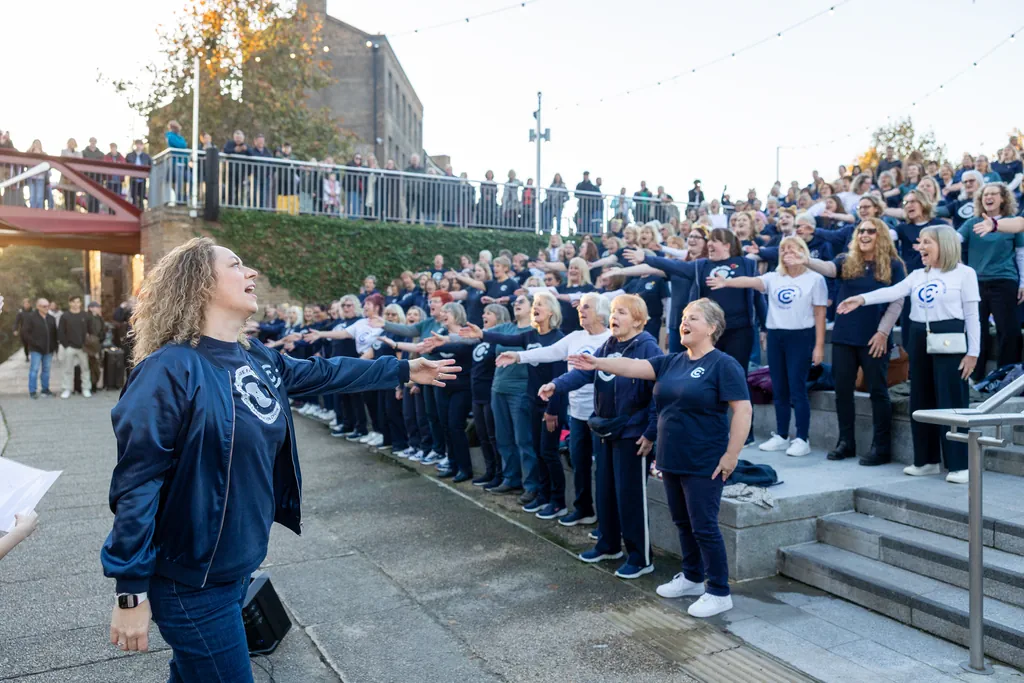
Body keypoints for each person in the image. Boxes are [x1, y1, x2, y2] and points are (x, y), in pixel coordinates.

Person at [101, 238, 457, 678]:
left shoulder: (257, 358)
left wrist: (401, 368)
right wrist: (130, 591)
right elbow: (138, 484)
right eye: (236, 265)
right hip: (191, 581)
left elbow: (326, 372)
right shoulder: (169, 368)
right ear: (198, 284)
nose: (250, 273)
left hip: (236, 567)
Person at [571, 298, 750, 616]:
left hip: (704, 460)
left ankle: (719, 590)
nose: (684, 322)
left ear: (711, 327)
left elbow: (743, 410)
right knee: (682, 522)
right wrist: (597, 363)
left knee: (704, 526)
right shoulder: (672, 362)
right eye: (683, 317)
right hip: (671, 458)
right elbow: (632, 367)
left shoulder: (723, 365)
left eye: (693, 318)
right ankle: (693, 577)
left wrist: (731, 456)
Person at [837, 226, 979, 484]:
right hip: (918, 337)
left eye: (927, 243)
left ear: (944, 245)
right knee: (920, 399)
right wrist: (861, 298)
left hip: (950, 337)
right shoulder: (916, 275)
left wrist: (974, 353)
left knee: (952, 401)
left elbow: (972, 316)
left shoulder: (964, 274)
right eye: (919, 242)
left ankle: (960, 464)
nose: (920, 247)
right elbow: (892, 292)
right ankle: (926, 460)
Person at [545, 294, 662, 580]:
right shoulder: (609, 343)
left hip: (632, 435)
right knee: (606, 492)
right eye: (612, 312)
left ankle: (640, 558)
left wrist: (650, 432)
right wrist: (556, 385)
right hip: (606, 430)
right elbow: (585, 373)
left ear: (637, 319)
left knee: (630, 497)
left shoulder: (648, 347)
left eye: (621, 312)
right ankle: (608, 544)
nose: (614, 317)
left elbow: (659, 394)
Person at [708, 237, 826, 457]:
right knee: (779, 387)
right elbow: (750, 282)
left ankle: (802, 438)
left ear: (803, 251)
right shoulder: (774, 277)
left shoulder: (815, 279)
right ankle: (781, 435)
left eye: (792, 248)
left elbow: (820, 313)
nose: (787, 252)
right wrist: (727, 282)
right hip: (776, 335)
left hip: (801, 336)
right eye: (783, 249)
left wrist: (819, 345)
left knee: (797, 388)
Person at [805, 218, 905, 465]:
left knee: (878, 392)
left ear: (880, 235)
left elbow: (898, 301)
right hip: (844, 336)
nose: (864, 234)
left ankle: (881, 448)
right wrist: (805, 260)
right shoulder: (846, 260)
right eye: (861, 231)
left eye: (871, 230)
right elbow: (829, 268)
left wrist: (882, 333)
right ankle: (846, 442)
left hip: (875, 337)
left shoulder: (894, 264)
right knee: (842, 392)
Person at [505, 293, 611, 524]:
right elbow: (549, 352)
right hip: (578, 413)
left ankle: (607, 524)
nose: (581, 311)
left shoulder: (610, 339)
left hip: (602, 414)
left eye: (587, 308)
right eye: (580, 308)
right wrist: (518, 356)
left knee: (602, 469)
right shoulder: (575, 336)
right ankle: (584, 510)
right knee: (579, 464)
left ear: (601, 312)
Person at [460, 291, 566, 511]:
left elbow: (559, 376)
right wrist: (481, 333)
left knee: (530, 445)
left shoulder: (558, 338)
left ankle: (541, 492)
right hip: (514, 394)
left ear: (552, 311)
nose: (535, 307)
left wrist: (553, 409)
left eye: (539, 304)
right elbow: (505, 339)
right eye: (534, 303)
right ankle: (516, 481)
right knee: (508, 439)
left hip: (537, 399)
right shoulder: (527, 335)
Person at [958, 183, 1023, 381]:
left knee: (1008, 330)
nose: (989, 197)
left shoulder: (1012, 223)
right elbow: (953, 240)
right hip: (976, 283)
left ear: (1003, 198)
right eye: (985, 194)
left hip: (1004, 281)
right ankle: (975, 376)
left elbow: (1021, 255)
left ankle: (1006, 377)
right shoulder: (972, 223)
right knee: (977, 330)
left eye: (994, 193)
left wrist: (1023, 283)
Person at [58, 295, 93, 398]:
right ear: (70, 303)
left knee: (85, 369)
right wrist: (66, 345)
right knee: (67, 369)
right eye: (73, 302)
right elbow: (61, 332)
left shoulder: (85, 315)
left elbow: (90, 330)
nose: (76, 304)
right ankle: (66, 389)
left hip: (83, 347)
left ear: (80, 303)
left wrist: (88, 344)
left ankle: (86, 389)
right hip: (69, 347)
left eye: (78, 302)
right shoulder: (65, 316)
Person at [23, 298, 57, 398]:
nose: (47, 308)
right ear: (38, 307)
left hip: (48, 349)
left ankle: (45, 389)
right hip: (36, 349)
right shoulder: (31, 318)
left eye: (48, 306)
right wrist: (34, 343)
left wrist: (54, 347)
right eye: (44, 306)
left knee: (46, 369)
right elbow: (25, 333)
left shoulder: (51, 318)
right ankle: (32, 391)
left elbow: (54, 334)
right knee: (34, 369)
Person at [125, 140, 152, 209]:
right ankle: (134, 212)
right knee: (133, 197)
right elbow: (125, 165)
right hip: (133, 178)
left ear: (142, 146)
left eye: (140, 144)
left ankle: (141, 212)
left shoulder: (146, 156)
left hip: (142, 179)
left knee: (142, 196)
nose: (138, 146)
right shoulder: (130, 155)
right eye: (137, 144)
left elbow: (151, 165)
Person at [85, 300, 105, 390]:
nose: (99, 309)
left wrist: (100, 339)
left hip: (97, 344)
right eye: (97, 307)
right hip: (90, 345)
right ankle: (91, 384)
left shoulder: (99, 318)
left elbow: (102, 331)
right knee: (91, 365)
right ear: (91, 308)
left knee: (96, 365)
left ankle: (94, 384)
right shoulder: (87, 317)